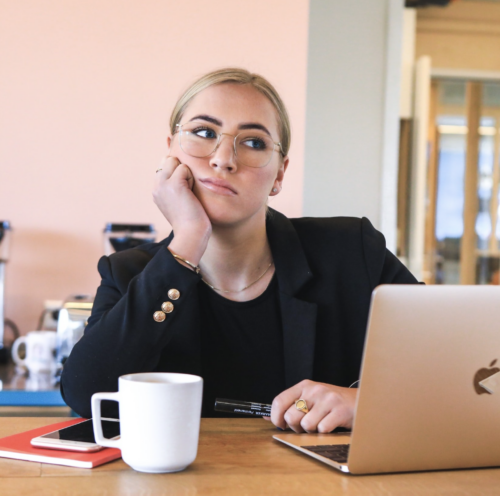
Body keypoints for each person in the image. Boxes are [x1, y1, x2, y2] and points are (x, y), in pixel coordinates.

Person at [61, 68, 418, 434]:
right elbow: (86, 395)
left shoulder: (351, 251)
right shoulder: (128, 273)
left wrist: (366, 402)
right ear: (170, 152)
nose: (223, 159)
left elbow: (457, 364)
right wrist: (187, 241)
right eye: (203, 133)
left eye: (253, 142)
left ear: (279, 174)